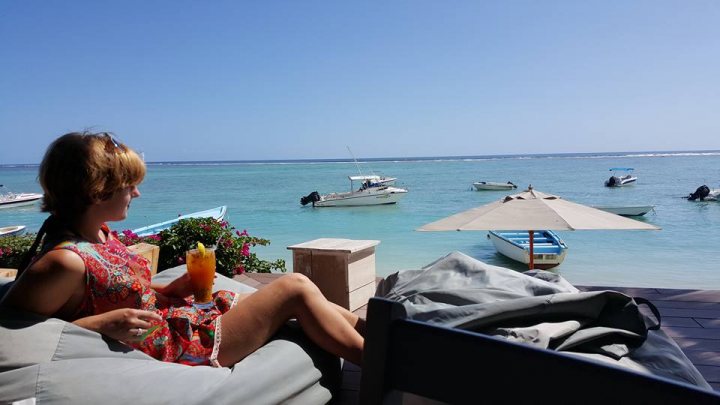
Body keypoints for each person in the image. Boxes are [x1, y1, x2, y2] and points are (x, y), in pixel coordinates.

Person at [1, 131, 364, 367]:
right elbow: (14, 332)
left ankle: (382, 333)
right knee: (294, 287)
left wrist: (167, 289)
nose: (137, 194)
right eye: (130, 186)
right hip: (173, 346)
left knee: (311, 300)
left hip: (179, 319)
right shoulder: (64, 262)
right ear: (97, 190)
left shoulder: (99, 232)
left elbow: (112, 291)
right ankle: (382, 362)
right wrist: (97, 325)